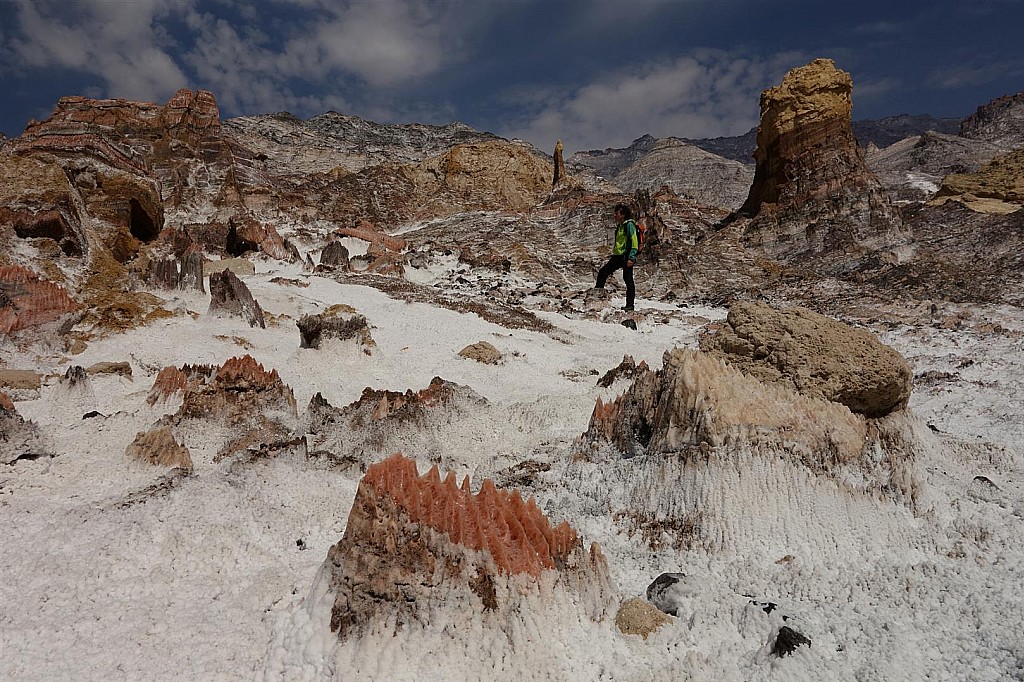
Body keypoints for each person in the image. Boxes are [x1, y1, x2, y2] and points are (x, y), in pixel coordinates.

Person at [594, 203, 638, 311]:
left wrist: (631, 258)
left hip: (626, 256)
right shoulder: (620, 226)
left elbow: (634, 242)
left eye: (617, 213)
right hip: (618, 256)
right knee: (603, 272)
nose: (614, 215)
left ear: (623, 214)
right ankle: (597, 297)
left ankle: (630, 305)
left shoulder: (629, 225)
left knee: (628, 280)